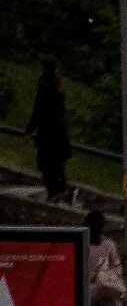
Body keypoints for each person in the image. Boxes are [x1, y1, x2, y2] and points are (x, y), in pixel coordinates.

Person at [28, 58, 69, 205]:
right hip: (58, 133)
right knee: (55, 164)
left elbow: (38, 109)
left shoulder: (45, 85)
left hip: (48, 133)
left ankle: (55, 192)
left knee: (46, 164)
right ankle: (59, 190)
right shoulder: (57, 85)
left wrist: (29, 130)